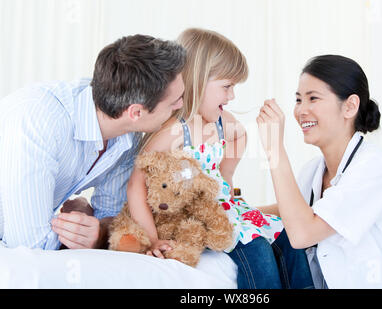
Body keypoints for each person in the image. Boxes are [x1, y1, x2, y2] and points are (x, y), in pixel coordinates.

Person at [126, 28, 313, 289]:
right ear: (198, 80)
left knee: (289, 238)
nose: (232, 96)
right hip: (194, 216)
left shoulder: (223, 122)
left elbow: (240, 137)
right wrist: (153, 239)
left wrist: (226, 177)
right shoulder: (174, 131)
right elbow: (136, 186)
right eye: (226, 87)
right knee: (256, 248)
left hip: (223, 206)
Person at [0, 34, 186, 250]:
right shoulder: (40, 120)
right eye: (175, 101)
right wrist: (78, 233)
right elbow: (30, 246)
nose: (181, 105)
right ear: (136, 112)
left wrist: (94, 231)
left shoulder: (127, 135)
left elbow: (113, 219)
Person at [256, 55, 382, 288]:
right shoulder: (313, 171)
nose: (301, 110)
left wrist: (275, 148)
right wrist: (235, 210)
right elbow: (290, 211)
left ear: (350, 106)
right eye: (298, 100)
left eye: (313, 98)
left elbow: (302, 232)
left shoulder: (374, 168)